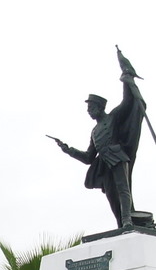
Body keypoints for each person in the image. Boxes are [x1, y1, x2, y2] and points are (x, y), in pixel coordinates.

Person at [53, 72, 146, 229]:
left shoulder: (113, 117)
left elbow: (127, 101)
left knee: (123, 189)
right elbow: (89, 157)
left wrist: (125, 81)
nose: (89, 111)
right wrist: (69, 150)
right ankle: (121, 225)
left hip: (117, 157)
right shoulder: (94, 131)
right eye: (88, 109)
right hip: (104, 165)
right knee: (111, 196)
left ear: (100, 107)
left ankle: (127, 220)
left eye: (91, 107)